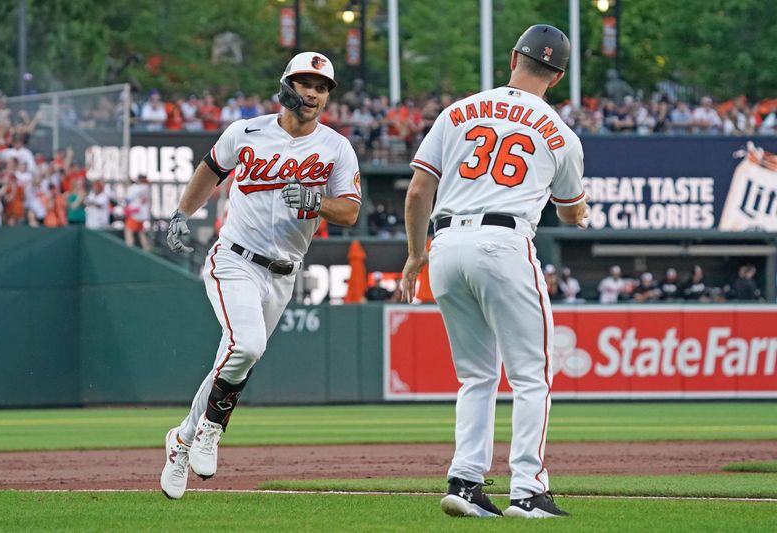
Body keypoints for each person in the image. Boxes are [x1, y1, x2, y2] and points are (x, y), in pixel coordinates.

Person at [401, 24, 584, 519]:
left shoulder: (458, 111)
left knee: (475, 376)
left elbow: (419, 191)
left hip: (445, 244)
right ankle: (528, 490)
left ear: (512, 59)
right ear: (559, 75)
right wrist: (580, 209)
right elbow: (570, 212)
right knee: (531, 375)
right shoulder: (561, 133)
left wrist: (417, 253)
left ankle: (464, 484)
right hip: (504, 243)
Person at [160, 51, 361, 500]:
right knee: (247, 345)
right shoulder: (246, 131)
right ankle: (212, 427)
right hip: (234, 258)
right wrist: (180, 213)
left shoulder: (335, 147)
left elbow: (349, 210)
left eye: (322, 86)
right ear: (287, 84)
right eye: (305, 82)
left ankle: (182, 441)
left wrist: (314, 200)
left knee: (233, 359)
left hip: (285, 271)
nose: (313, 92)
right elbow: (211, 169)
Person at [123, 174, 152, 251]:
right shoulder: (147, 187)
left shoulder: (136, 188)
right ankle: (147, 249)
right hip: (143, 214)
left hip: (135, 213)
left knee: (128, 230)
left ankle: (129, 248)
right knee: (141, 232)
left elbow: (128, 198)